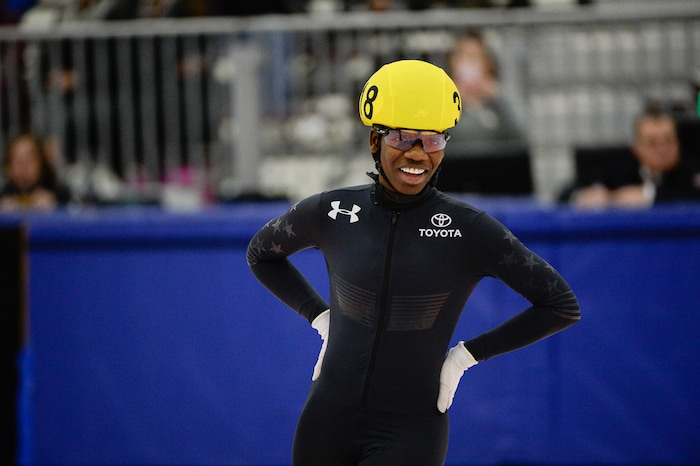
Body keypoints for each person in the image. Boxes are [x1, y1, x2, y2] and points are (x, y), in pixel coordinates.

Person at [246, 59, 580, 465]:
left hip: (410, 431)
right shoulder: (331, 211)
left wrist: (467, 356)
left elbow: (561, 305)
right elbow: (261, 254)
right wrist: (320, 317)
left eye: (433, 140)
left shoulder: (469, 229)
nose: (418, 155)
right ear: (375, 141)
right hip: (326, 420)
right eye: (404, 139)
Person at [564, 106, 700, 209]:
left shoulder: (692, 171)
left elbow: (690, 194)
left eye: (668, 140)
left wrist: (649, 196)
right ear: (637, 148)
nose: (663, 149)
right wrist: (584, 196)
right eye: (652, 142)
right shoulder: (621, 170)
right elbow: (567, 193)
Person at [445, 29, 526, 155]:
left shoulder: (498, 97)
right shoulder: (444, 99)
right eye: (463, 55)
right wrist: (456, 99)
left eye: (475, 56)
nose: (469, 62)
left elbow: (520, 134)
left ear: (487, 62)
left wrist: (496, 95)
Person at [1, 133, 71, 211]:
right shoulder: (4, 195)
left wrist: (54, 206)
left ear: (41, 163)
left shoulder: (58, 193)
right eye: (17, 160)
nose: (23, 166)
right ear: (8, 166)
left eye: (29, 159)